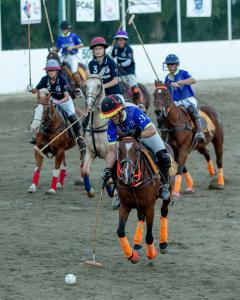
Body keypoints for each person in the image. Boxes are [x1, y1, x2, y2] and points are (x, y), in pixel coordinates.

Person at [100, 94, 171, 201]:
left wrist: (136, 135)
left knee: (164, 158)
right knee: (116, 163)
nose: (111, 118)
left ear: (120, 111)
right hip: (127, 143)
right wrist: (107, 169)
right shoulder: (111, 125)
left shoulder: (134, 112)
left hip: (145, 135)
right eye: (109, 116)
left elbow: (151, 130)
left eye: (113, 115)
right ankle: (119, 189)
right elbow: (112, 151)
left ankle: (164, 185)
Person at [30, 59, 85, 149]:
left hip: (66, 102)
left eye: (52, 70)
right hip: (53, 101)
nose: (51, 72)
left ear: (56, 70)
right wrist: (32, 89)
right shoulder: (45, 79)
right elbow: (36, 90)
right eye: (49, 70)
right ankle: (39, 137)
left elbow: (67, 96)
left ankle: (79, 138)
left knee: (73, 117)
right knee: (43, 114)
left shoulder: (62, 80)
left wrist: (58, 102)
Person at [163, 54, 206, 143]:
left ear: (176, 64)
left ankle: (199, 132)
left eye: (172, 64)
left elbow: (193, 80)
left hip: (187, 99)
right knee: (164, 114)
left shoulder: (183, 73)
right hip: (174, 102)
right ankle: (164, 132)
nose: (170, 66)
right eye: (168, 65)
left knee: (192, 109)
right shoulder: (167, 78)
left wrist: (180, 82)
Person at [111, 30, 144, 106]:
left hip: (129, 72)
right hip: (119, 72)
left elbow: (128, 62)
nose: (120, 42)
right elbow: (111, 58)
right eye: (119, 40)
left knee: (134, 87)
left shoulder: (129, 49)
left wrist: (119, 64)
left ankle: (140, 101)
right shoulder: (115, 49)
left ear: (125, 40)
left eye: (122, 40)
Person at [54, 20, 84, 93]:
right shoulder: (60, 38)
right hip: (64, 56)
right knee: (55, 67)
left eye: (65, 29)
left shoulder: (73, 36)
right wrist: (55, 49)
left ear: (68, 29)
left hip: (72, 56)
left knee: (74, 71)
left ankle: (80, 87)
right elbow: (58, 49)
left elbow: (81, 45)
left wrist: (72, 47)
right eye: (63, 29)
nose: (64, 30)